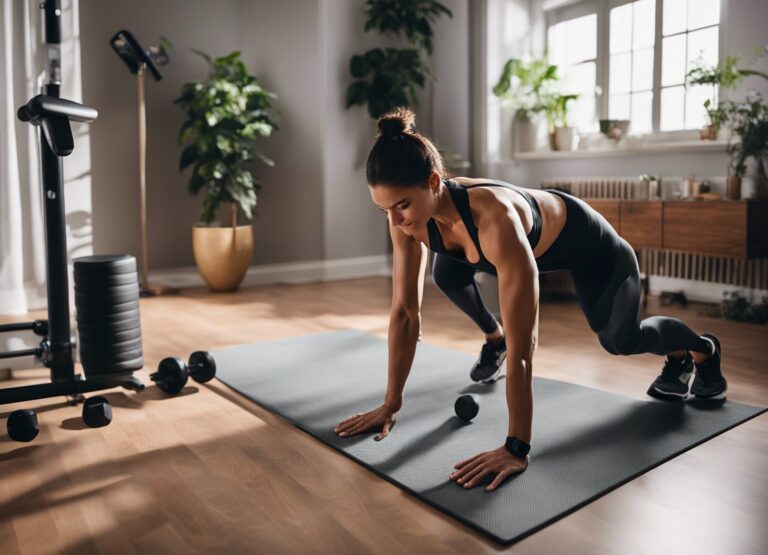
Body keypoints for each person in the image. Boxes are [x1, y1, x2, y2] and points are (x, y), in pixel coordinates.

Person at [333, 107, 727, 492]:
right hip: (526, 243)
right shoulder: (404, 218)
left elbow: (526, 347)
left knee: (620, 341)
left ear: (434, 182)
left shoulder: (496, 220)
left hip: (597, 252)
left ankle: (701, 350)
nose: (396, 220)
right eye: (384, 209)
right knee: (448, 271)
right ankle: (493, 338)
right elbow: (404, 312)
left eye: (402, 205)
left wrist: (516, 446)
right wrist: (390, 405)